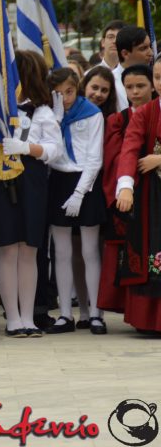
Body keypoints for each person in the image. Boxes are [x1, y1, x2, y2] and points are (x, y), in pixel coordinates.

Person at [0, 50, 62, 337]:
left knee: (29, 249)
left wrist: (28, 148)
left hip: (33, 180)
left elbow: (55, 150)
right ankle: (12, 317)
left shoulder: (43, 111)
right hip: (3, 177)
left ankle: (28, 316)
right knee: (7, 248)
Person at [46, 68, 106, 335]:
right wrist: (55, 124)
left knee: (90, 250)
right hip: (59, 179)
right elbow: (48, 154)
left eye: (69, 92)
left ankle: (95, 312)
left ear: (77, 87)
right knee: (61, 250)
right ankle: (66, 314)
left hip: (86, 181)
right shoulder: (49, 114)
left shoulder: (92, 113)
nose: (65, 98)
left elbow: (95, 158)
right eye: (58, 94)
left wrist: (80, 194)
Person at [99, 64, 155, 317]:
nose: (135, 91)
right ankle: (148, 316)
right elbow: (127, 151)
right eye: (129, 87)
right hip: (148, 195)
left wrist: (158, 159)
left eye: (140, 85)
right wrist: (124, 187)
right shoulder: (140, 115)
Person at [112, 62, 161, 333]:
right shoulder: (145, 113)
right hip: (154, 198)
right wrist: (126, 186)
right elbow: (129, 148)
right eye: (157, 77)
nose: (160, 82)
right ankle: (151, 321)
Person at [113, 25, 154, 111]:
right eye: (143, 48)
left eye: (149, 46)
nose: (151, 53)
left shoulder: (155, 78)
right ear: (125, 54)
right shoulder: (111, 82)